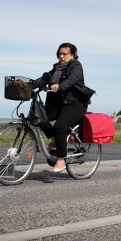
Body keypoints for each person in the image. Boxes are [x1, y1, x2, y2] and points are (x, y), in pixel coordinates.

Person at [31, 42, 89, 173]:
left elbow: (72, 80)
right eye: (59, 54)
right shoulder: (57, 68)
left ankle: (61, 159)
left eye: (64, 54)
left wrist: (60, 86)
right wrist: (29, 85)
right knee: (38, 117)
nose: (61, 56)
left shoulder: (76, 66)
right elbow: (44, 79)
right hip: (60, 104)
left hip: (75, 104)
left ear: (73, 55)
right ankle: (56, 140)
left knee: (59, 127)